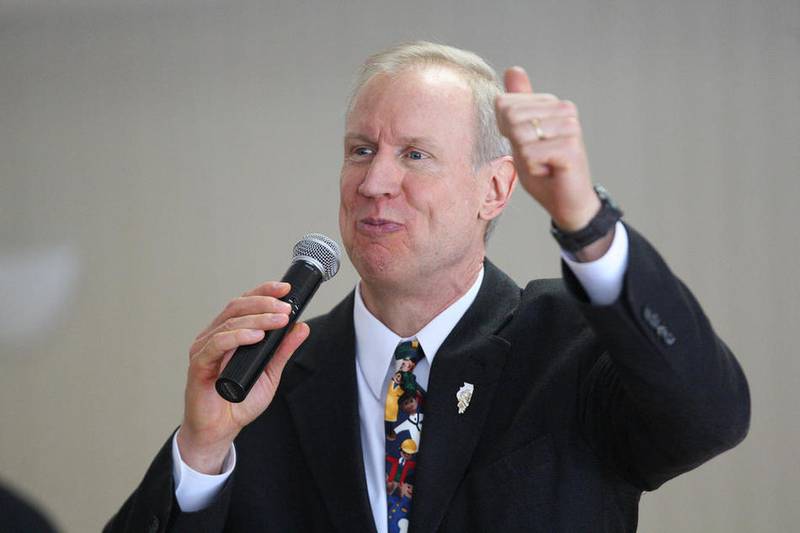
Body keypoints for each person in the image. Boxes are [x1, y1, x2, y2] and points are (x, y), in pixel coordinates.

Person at [105, 41, 749, 532]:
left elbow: (709, 417)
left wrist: (589, 228)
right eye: (361, 150)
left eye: (415, 154)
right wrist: (203, 450)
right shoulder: (264, 375)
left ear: (494, 189)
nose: (375, 182)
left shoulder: (567, 344)